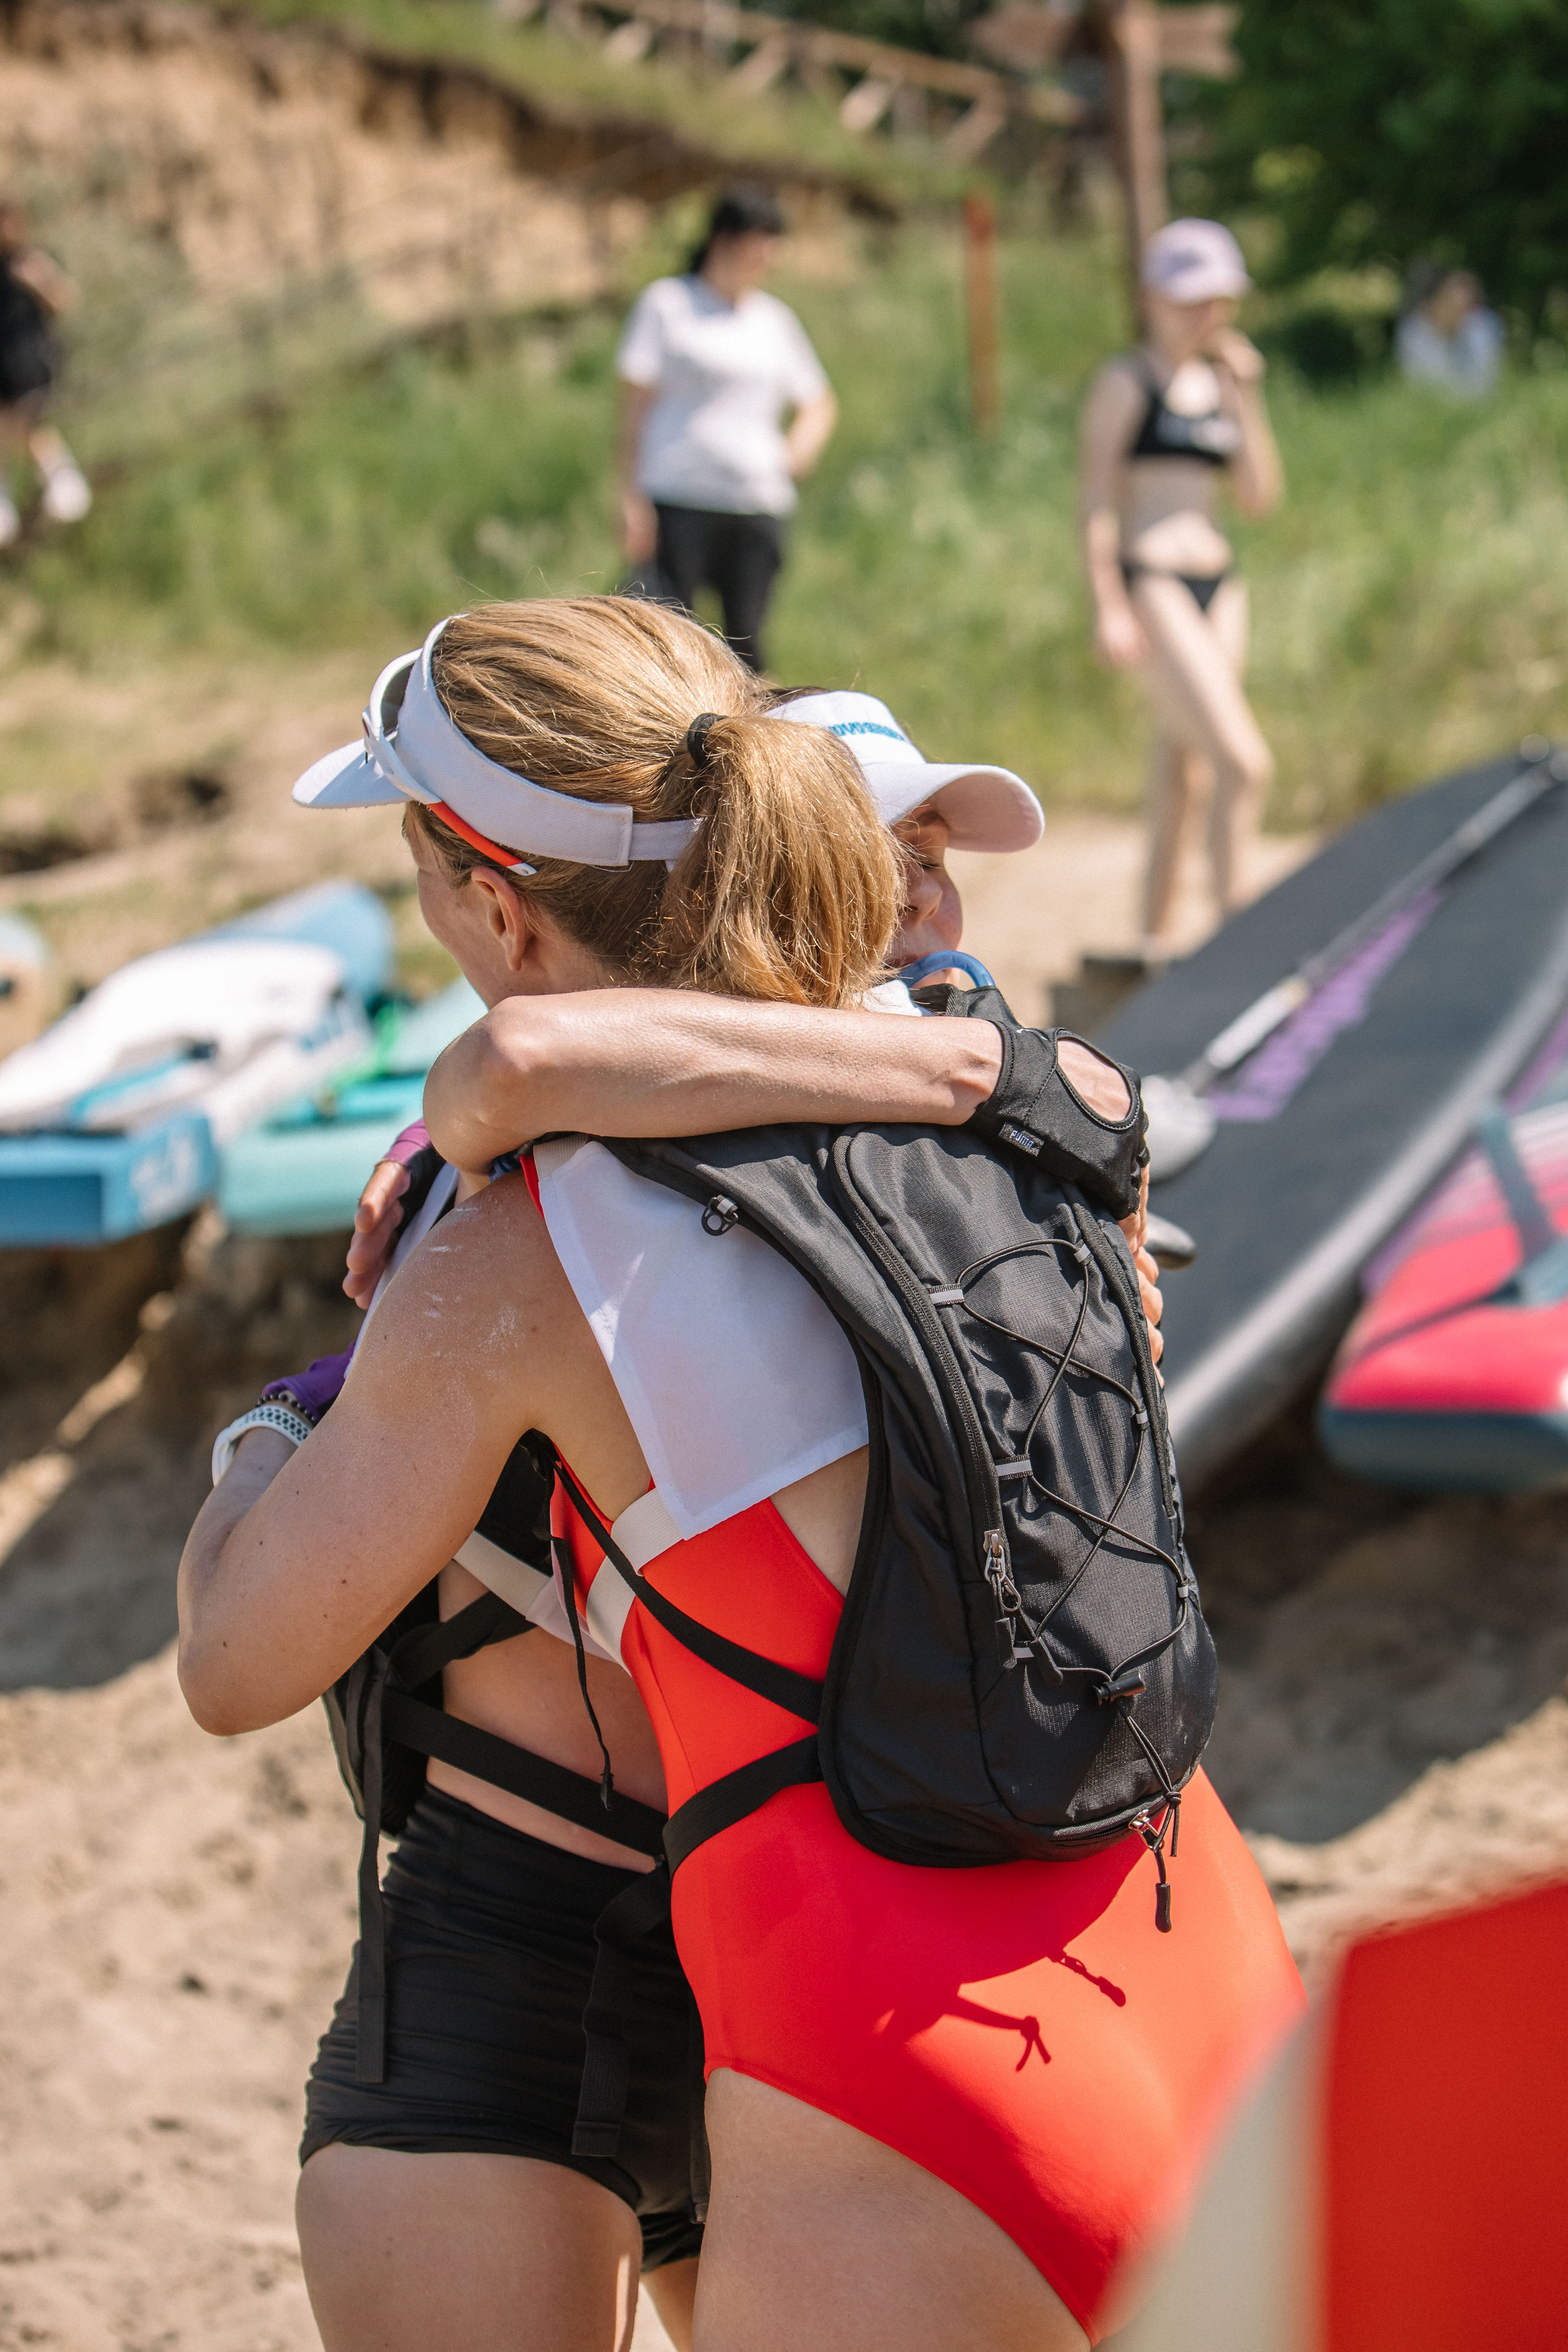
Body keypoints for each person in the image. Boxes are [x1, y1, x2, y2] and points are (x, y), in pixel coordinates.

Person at [179, 596, 1302, 2351]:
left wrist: (272, 1435)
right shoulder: (1021, 1116)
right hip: (1183, 1956)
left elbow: (235, 1663)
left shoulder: (530, 1246)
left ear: (491, 899)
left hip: (890, 2057)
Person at [1080, 217, 1283, 950]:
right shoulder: (1126, 381)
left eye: (1217, 300)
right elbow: (1097, 499)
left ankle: (1153, 942)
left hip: (1220, 583)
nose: (1206, 316)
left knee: (1186, 768)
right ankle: (1241, 939)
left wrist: (1246, 396)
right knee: (1243, 761)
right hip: (1154, 578)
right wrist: (1106, 602)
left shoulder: (1220, 383)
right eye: (1191, 299)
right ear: (1154, 298)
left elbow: (1259, 497)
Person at [617, 186, 836, 673]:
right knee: (667, 644)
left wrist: (796, 451)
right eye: (759, 246)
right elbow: (635, 407)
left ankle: (751, 747)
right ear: (724, 241)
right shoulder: (667, 305)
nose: (766, 261)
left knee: (748, 644)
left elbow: (818, 401)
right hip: (679, 497)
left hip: (755, 502)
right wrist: (630, 496)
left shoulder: (775, 320)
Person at [0, 201, 91, 550]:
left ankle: (63, 482)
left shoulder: (30, 262)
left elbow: (64, 301)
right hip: (6, 359)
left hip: (29, 356)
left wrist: (39, 282)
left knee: (26, 421)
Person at [1396, 266, 1504, 399]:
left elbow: (1487, 384)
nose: (1462, 317)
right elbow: (1416, 384)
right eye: (1453, 306)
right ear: (1438, 302)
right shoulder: (1414, 332)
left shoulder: (1483, 327)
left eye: (1468, 309)